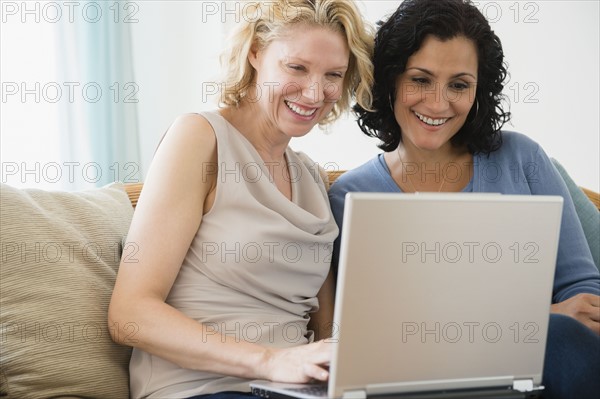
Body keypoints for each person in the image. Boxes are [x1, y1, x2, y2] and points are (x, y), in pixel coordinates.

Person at [328, 0, 600, 398]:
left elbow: (585, 306)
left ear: (479, 90)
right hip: (419, 386)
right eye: (420, 79)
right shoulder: (350, 196)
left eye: (459, 84)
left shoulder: (522, 159)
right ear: (390, 81)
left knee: (562, 335)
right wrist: (538, 318)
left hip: (542, 377)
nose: (438, 103)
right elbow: (375, 339)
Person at [108, 1, 374, 398]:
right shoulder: (199, 139)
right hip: (203, 388)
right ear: (255, 53)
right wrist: (271, 361)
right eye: (296, 67)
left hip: (290, 389)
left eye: (333, 75)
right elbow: (129, 314)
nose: (316, 92)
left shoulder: (312, 178)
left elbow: (325, 327)